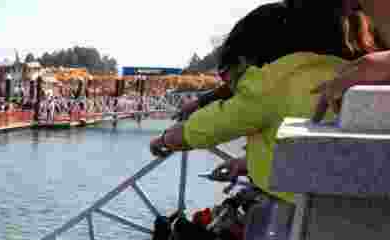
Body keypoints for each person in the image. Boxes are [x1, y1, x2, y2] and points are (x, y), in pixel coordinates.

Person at [149, 1, 369, 201]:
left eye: (226, 75)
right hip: (359, 201)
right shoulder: (349, 72)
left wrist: (164, 140)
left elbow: (199, 130)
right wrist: (246, 163)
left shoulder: (269, 88)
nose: (229, 84)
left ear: (245, 60)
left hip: (308, 211)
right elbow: (321, 153)